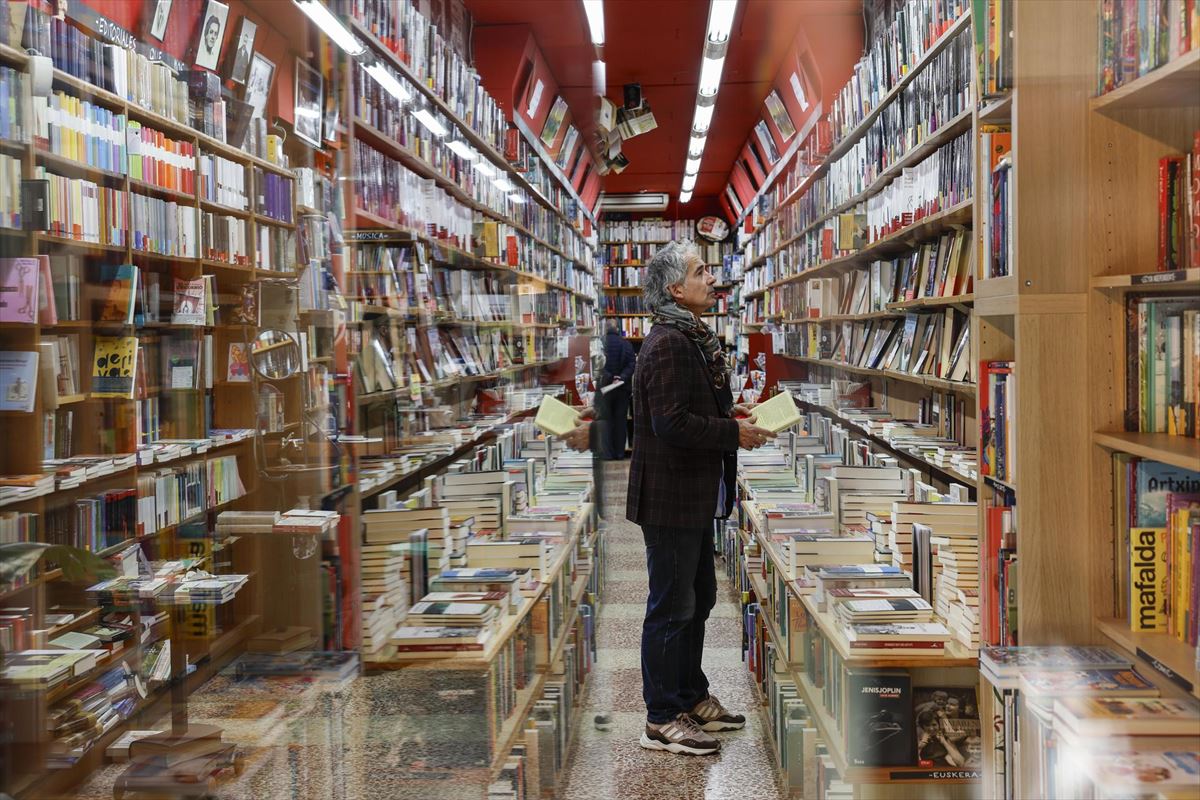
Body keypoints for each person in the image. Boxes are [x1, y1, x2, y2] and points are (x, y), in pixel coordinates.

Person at [626, 241, 774, 756]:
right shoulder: (668, 342)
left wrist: (733, 416)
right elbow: (671, 424)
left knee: (699, 598)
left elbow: (691, 410)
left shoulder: (690, 336)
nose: (712, 279)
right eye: (700, 271)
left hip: (690, 494)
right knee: (671, 606)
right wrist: (732, 433)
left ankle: (689, 693)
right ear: (675, 289)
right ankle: (662, 717)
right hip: (669, 497)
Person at [598, 321, 635, 459]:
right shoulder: (626, 344)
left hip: (605, 389)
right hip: (622, 388)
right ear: (618, 329)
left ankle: (608, 454)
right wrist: (621, 377)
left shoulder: (601, 344)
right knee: (620, 421)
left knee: (606, 421)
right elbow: (632, 363)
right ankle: (620, 453)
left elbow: (598, 365)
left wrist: (610, 377)